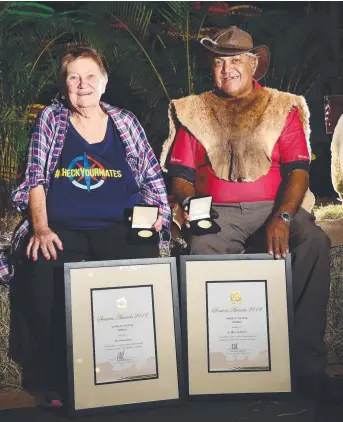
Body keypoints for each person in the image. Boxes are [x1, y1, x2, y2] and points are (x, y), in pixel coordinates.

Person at [161, 27, 339, 401]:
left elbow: (298, 171)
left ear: (254, 64)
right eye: (220, 62)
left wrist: (284, 217)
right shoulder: (192, 109)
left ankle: (306, 364)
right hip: (217, 212)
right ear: (212, 67)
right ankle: (217, 366)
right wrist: (194, 212)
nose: (228, 69)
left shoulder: (283, 105)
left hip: (273, 210)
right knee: (201, 247)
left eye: (236, 60)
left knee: (314, 242)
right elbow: (180, 177)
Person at [6, 46, 171, 407]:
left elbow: (150, 176)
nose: (83, 84)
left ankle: (133, 372)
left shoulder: (125, 121)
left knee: (143, 260)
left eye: (90, 76)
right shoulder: (52, 118)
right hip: (63, 228)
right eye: (73, 77)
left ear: (105, 82)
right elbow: (35, 178)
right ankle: (55, 380)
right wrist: (41, 228)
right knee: (42, 266)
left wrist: (158, 215)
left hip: (118, 225)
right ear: (64, 84)